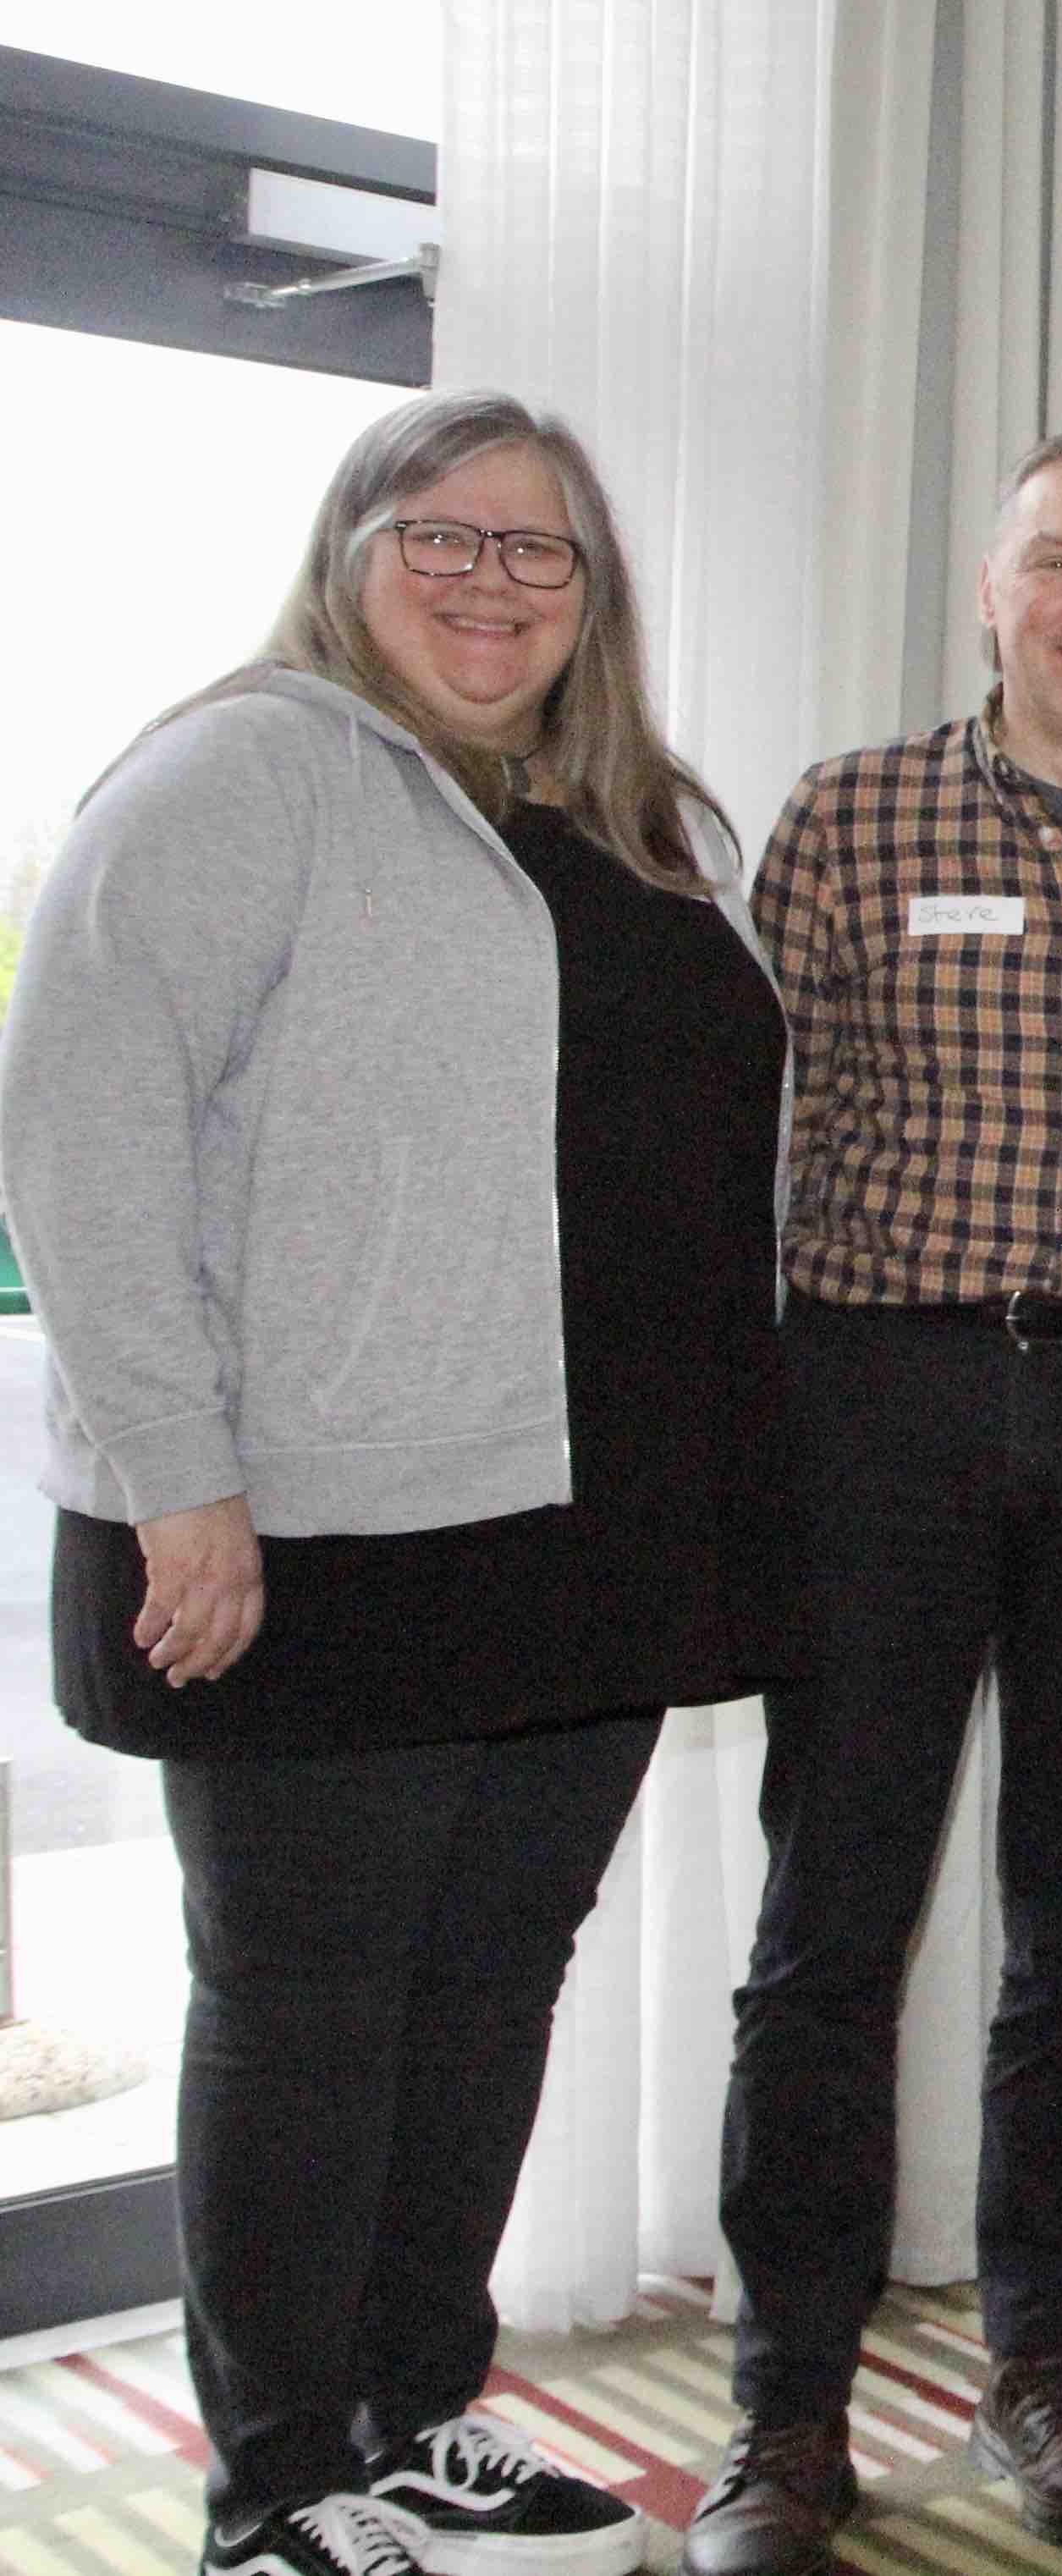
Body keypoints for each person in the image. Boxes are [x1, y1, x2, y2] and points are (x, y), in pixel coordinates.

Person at [0, 389, 793, 2576]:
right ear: (352, 553)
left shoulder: (635, 824)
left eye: (537, 549)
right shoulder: (241, 770)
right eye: (440, 535)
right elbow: (79, 1129)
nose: (489, 578)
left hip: (586, 1525)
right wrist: (179, 1482)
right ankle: (277, 2495)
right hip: (308, 1532)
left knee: (483, 1990)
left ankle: (411, 2420)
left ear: (592, 594)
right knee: (304, 2007)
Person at [691, 430, 1062, 2576]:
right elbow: (751, 1128)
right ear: (992, 589)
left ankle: (1048, 2364)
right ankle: (785, 2413)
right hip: (879, 1402)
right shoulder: (852, 815)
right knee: (826, 1928)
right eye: (1060, 563)